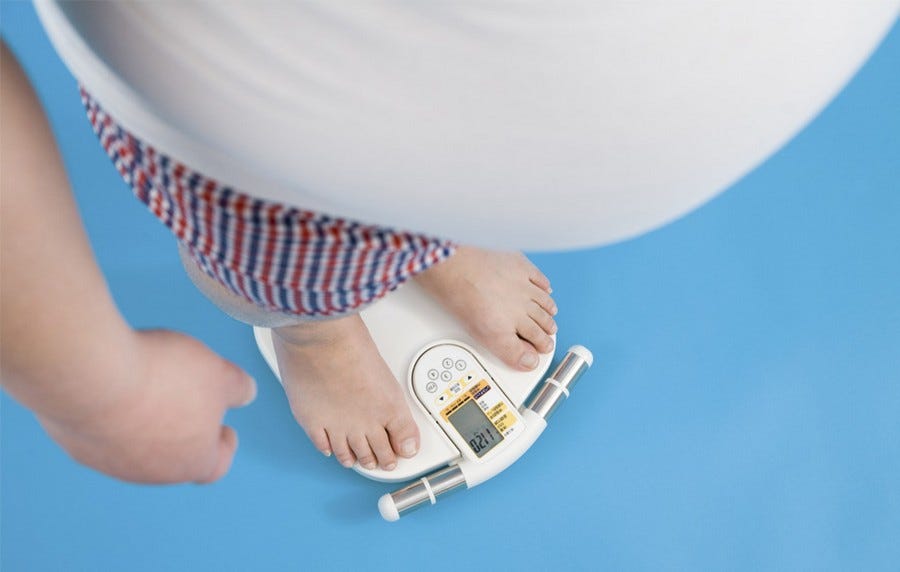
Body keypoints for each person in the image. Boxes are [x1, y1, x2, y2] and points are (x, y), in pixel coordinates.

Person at [0, 36, 557, 483]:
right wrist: (98, 397)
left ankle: (436, 238)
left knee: (419, 125)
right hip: (213, 70)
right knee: (247, 217)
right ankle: (314, 332)